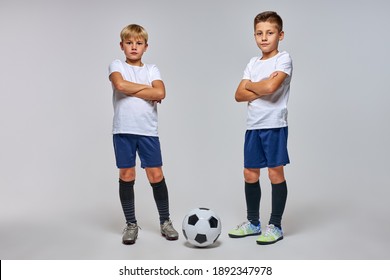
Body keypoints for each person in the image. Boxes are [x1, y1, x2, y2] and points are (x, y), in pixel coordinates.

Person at [108, 24, 178, 245]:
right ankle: (131, 224)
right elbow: (119, 84)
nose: (134, 47)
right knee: (127, 175)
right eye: (129, 43)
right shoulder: (116, 64)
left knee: (156, 175)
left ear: (146, 47)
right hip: (123, 130)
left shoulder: (152, 69)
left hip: (147, 131)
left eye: (138, 43)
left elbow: (161, 92)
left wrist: (134, 89)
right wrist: (146, 90)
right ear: (122, 45)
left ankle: (165, 221)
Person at [228, 11, 293, 245]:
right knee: (249, 173)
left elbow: (271, 88)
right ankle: (253, 223)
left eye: (269, 32)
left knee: (275, 174)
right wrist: (262, 84)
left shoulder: (283, 59)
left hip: (274, 125)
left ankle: (275, 225)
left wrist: (253, 87)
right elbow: (238, 94)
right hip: (253, 126)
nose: (264, 38)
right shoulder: (252, 63)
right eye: (259, 33)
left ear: (280, 34)